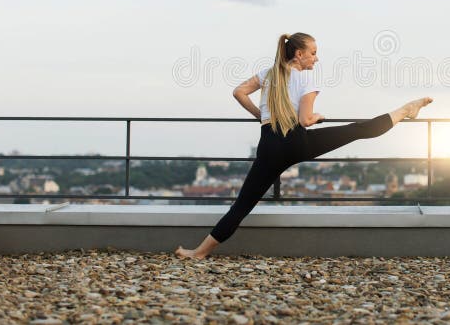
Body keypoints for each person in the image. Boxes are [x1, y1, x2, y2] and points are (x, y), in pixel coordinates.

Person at [175, 32, 433, 259]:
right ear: (299, 54)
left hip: (269, 145)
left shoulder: (267, 73)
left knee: (242, 206)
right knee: (356, 130)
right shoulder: (306, 80)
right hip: (297, 142)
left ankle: (199, 252)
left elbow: (238, 92)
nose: (316, 58)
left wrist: (261, 115)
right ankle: (404, 111)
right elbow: (305, 120)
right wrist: (318, 117)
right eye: (313, 53)